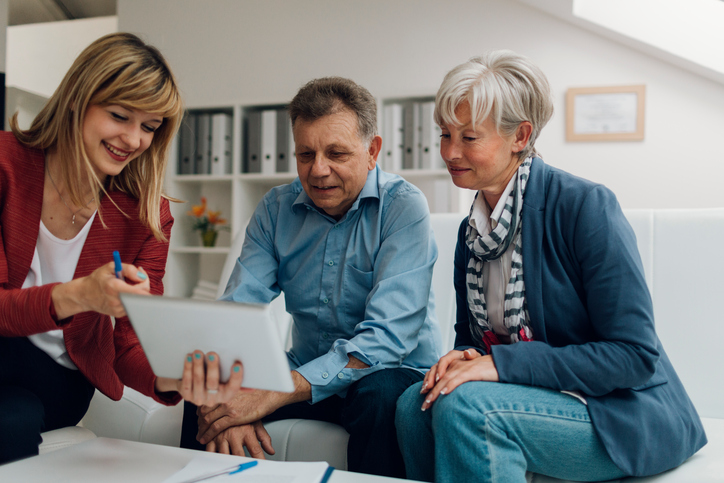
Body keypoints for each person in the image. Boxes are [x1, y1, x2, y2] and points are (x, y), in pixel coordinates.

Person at [395, 50, 707, 483]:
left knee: (466, 407)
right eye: (445, 134)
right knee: (415, 404)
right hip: (536, 401)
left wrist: (501, 365)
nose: (449, 151)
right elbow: (474, 341)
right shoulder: (472, 234)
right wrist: (465, 357)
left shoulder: (584, 207)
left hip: (615, 414)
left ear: (520, 136)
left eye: (469, 138)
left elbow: (633, 356)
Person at [0, 33, 243, 465]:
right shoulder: (5, 167)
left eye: (149, 127)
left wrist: (177, 380)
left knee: (12, 421)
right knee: (12, 419)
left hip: (56, 381)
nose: (133, 140)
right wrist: (79, 295)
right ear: (78, 98)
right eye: (120, 116)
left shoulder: (148, 216)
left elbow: (129, 346)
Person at [181, 76, 441, 478]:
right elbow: (236, 313)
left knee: (382, 395)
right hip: (305, 366)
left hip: (383, 372)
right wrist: (234, 403)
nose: (318, 171)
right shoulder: (275, 209)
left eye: (336, 153)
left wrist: (268, 396)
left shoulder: (404, 208)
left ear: (372, 151)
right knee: (205, 388)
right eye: (306, 154)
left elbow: (387, 340)